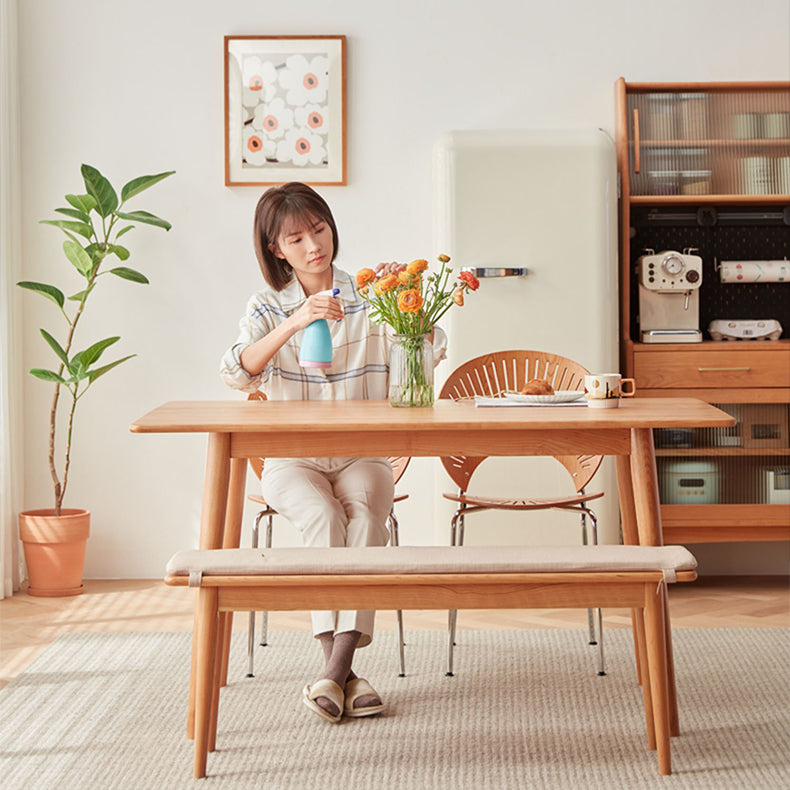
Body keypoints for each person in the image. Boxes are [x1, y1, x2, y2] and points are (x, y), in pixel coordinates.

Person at [220, 182, 445, 724]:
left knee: (367, 514)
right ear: (277, 249)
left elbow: (429, 350)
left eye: (318, 229)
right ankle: (344, 672)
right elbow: (233, 372)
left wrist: (404, 300)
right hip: (290, 458)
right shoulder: (268, 306)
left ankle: (332, 671)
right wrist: (297, 321)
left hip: (363, 452)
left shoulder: (373, 292)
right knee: (322, 515)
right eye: (296, 238)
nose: (313, 245)